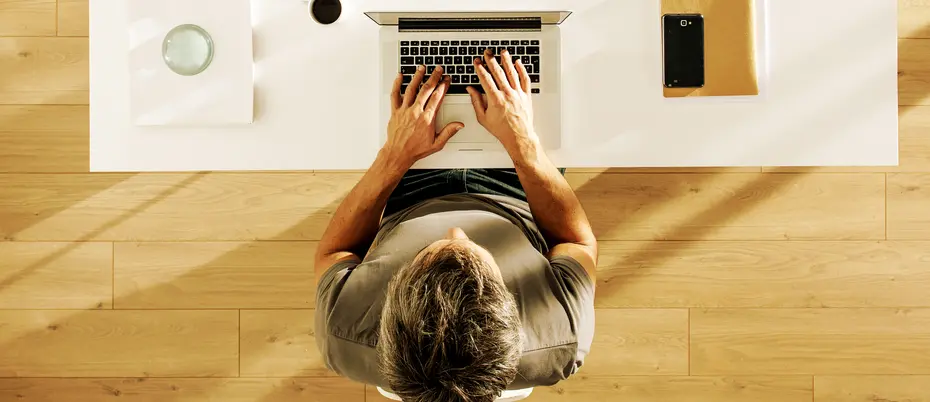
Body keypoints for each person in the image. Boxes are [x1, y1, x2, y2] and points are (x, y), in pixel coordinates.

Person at [315, 49, 597, 402]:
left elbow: (333, 252)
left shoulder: (344, 336)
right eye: (478, 252)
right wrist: (522, 143)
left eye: (425, 256)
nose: (455, 231)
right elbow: (577, 241)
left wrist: (395, 156)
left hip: (406, 188)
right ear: (512, 306)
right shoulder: (560, 339)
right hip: (520, 192)